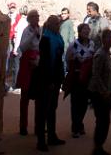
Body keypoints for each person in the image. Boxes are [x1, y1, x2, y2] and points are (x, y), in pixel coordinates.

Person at [34, 14, 66, 152]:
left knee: (52, 109)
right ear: (52, 25)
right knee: (43, 110)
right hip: (47, 80)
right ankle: (41, 141)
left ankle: (52, 136)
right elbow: (46, 62)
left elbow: (59, 59)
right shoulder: (46, 39)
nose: (59, 26)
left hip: (55, 79)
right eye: (57, 24)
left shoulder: (57, 38)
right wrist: (50, 80)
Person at [64, 22, 95, 138]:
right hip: (77, 77)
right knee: (75, 102)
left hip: (87, 77)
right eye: (84, 30)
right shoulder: (73, 45)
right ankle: (75, 127)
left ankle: (79, 123)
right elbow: (67, 58)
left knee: (84, 102)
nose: (86, 32)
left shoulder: (92, 44)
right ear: (79, 32)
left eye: (88, 30)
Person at [88, 28, 111, 155]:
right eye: (109, 37)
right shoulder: (100, 54)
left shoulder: (107, 53)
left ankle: (99, 147)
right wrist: (104, 92)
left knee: (104, 121)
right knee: (102, 121)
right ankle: (97, 148)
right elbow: (96, 76)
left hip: (105, 93)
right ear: (103, 40)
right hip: (99, 94)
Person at [16, 9, 41, 136]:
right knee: (25, 96)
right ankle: (23, 126)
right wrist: (32, 35)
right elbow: (23, 46)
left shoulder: (40, 30)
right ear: (30, 18)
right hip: (27, 64)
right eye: (35, 17)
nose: (37, 19)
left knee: (39, 96)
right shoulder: (27, 31)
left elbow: (41, 45)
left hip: (37, 62)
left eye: (38, 16)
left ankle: (38, 126)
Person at [6, 0, 23, 91]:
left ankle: (11, 72)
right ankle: (9, 72)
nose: (12, 9)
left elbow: (17, 28)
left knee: (12, 54)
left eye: (13, 7)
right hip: (9, 37)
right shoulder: (8, 15)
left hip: (14, 37)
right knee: (9, 54)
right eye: (11, 7)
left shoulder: (18, 16)